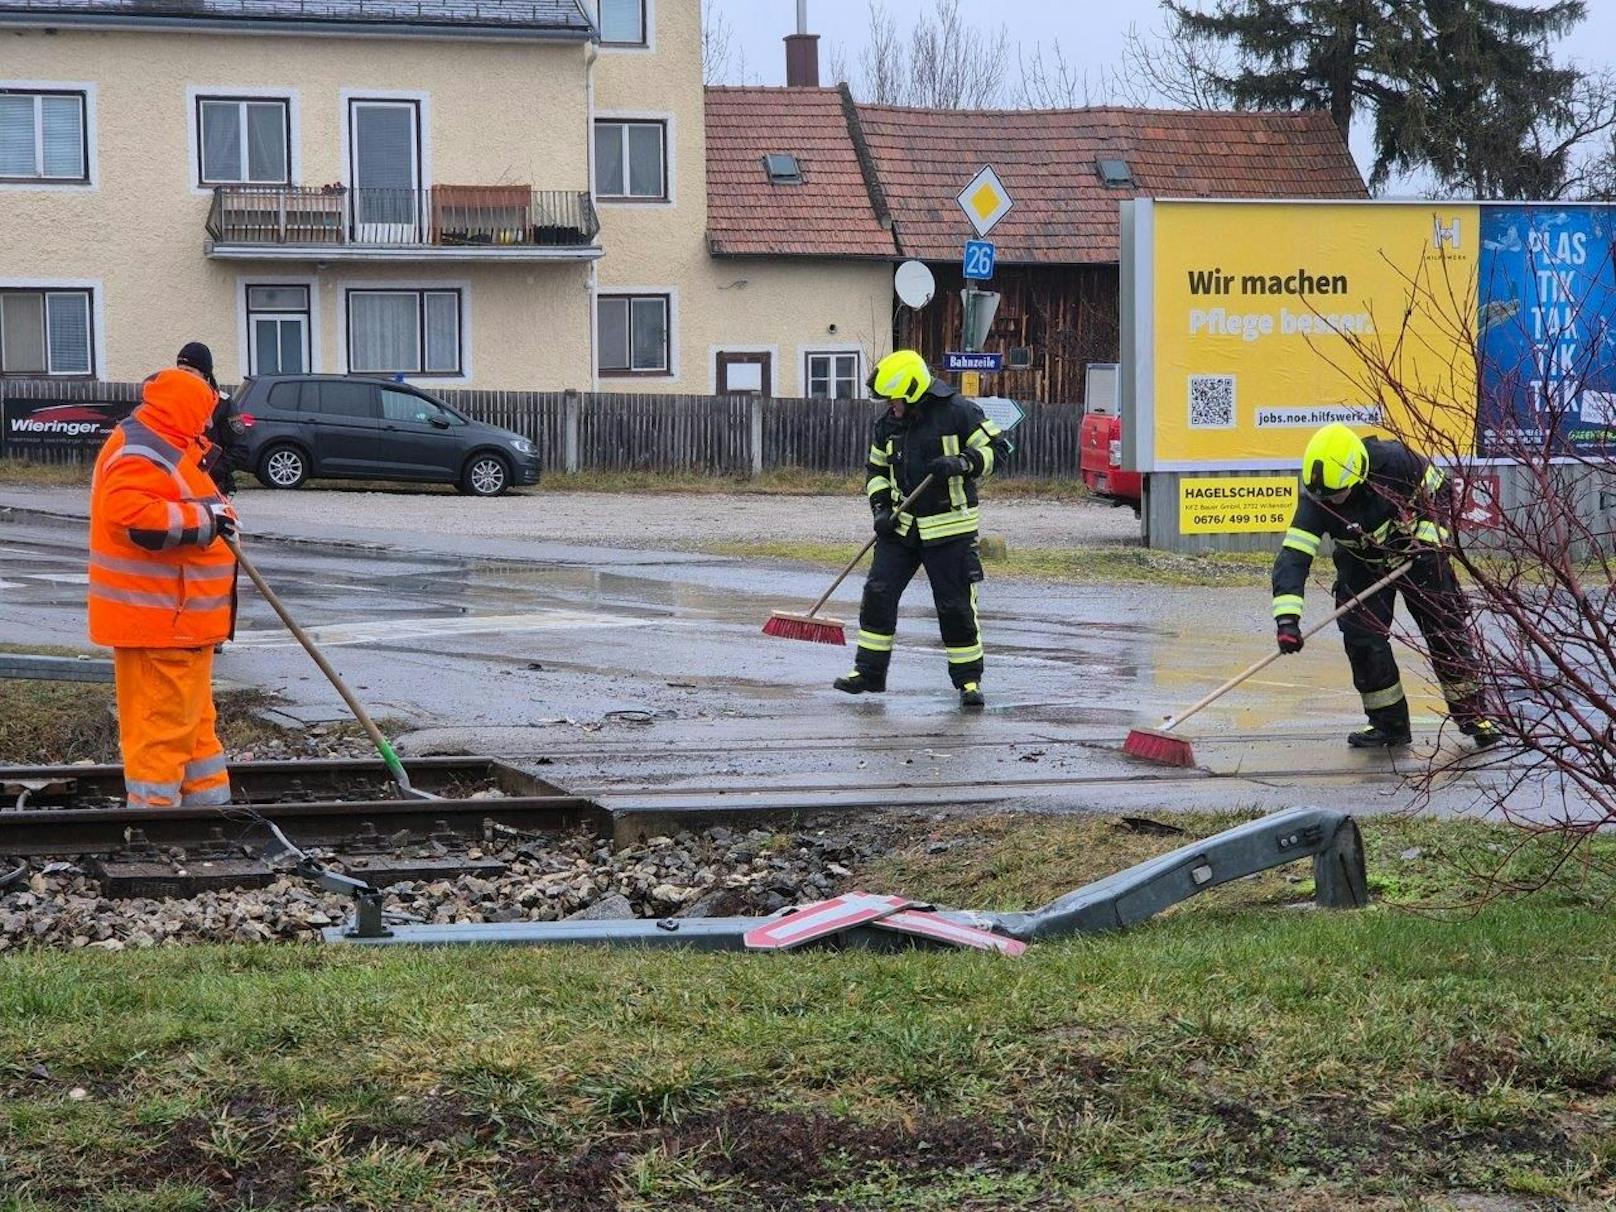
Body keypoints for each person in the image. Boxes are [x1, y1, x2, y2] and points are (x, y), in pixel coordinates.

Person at [1270, 422, 1500, 749]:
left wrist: (1428, 539)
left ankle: (1475, 716)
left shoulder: (1398, 462)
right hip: (1362, 562)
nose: (1333, 503)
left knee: (1445, 629)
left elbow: (1442, 494)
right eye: (1326, 498)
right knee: (1363, 638)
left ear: (1359, 472)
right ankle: (1388, 725)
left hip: (1416, 552)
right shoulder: (1316, 498)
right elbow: (1293, 558)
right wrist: (1287, 620)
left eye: (1339, 494)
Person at [88, 363, 240, 808]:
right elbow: (133, 519)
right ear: (187, 409)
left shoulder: (169, 447)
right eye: (205, 410)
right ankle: (154, 819)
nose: (210, 421)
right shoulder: (143, 451)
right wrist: (208, 521)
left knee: (191, 725)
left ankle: (208, 811)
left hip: (181, 621)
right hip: (160, 620)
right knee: (162, 725)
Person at [834, 350, 1010, 709]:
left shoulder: (959, 412)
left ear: (912, 391)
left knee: (954, 605)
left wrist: (962, 462)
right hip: (902, 527)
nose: (891, 406)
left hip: (949, 529)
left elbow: (998, 450)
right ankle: (868, 673)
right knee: (879, 593)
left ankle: (968, 682)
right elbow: (877, 471)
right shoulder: (888, 424)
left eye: (895, 399)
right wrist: (881, 509)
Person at [177, 342, 245, 498]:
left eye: (189, 371)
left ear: (205, 374)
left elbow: (240, 449)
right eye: (179, 371)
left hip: (212, 487)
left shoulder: (223, 404)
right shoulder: (173, 401)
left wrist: (211, 471)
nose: (183, 376)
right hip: (178, 486)